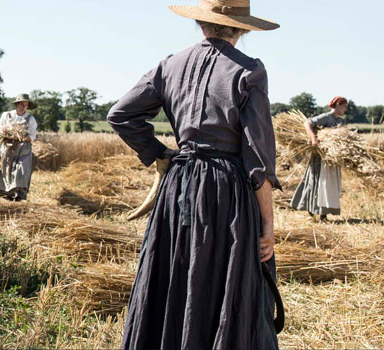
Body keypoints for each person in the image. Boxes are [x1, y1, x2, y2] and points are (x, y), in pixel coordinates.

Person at [106, 1, 283, 348]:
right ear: (242, 27)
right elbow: (258, 160)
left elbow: (120, 114)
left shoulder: (170, 65)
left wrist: (160, 154)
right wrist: (268, 226)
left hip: (180, 185)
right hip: (226, 192)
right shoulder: (250, 71)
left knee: (178, 271)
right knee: (224, 280)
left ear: (201, 23)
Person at [291, 96, 348, 221]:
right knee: (318, 183)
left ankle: (324, 214)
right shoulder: (326, 117)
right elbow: (307, 123)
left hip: (333, 159)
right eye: (344, 106)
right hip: (321, 157)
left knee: (330, 186)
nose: (345, 109)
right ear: (338, 104)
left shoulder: (342, 121)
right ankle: (313, 209)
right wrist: (313, 138)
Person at [0, 94, 38, 201]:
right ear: (16, 105)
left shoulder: (31, 119)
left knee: (21, 170)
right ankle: (3, 193)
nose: (23, 107)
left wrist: (19, 137)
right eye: (21, 104)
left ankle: (18, 196)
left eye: (25, 105)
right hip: (7, 147)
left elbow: (32, 137)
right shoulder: (6, 115)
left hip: (23, 149)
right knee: (3, 169)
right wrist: (7, 135)